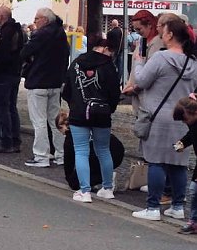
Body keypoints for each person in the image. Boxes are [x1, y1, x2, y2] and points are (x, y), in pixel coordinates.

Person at [126, 17, 197, 220]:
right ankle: (177, 206)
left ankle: (152, 207)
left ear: (170, 35)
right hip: (183, 117)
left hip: (158, 116)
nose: (161, 35)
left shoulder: (161, 58)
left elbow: (142, 80)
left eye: (163, 31)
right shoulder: (192, 62)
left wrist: (139, 62)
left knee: (156, 162)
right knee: (178, 163)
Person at [61, 35, 121, 203]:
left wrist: (74, 104)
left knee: (81, 151)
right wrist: (110, 108)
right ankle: (107, 188)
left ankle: (85, 191)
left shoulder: (76, 63)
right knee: (104, 150)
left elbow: (66, 90)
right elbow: (115, 92)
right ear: (105, 49)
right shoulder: (108, 66)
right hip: (102, 113)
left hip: (79, 113)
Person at [20, 8, 70, 168]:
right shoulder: (61, 34)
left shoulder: (41, 35)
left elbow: (24, 52)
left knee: (39, 121)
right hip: (55, 83)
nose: (34, 21)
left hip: (38, 82)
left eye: (37, 19)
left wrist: (31, 60)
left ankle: (41, 156)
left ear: (45, 20)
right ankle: (61, 154)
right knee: (56, 121)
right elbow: (66, 56)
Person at [0, 6, 25, 153]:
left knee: (2, 108)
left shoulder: (6, 32)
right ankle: (15, 140)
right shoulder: (19, 31)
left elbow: (2, 53)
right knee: (11, 107)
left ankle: (7, 141)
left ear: (2, 16)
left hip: (4, 74)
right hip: (15, 73)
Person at [171, 96, 197, 234]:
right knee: (194, 190)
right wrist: (183, 142)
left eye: (185, 119)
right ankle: (194, 221)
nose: (184, 122)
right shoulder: (192, 123)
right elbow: (192, 134)